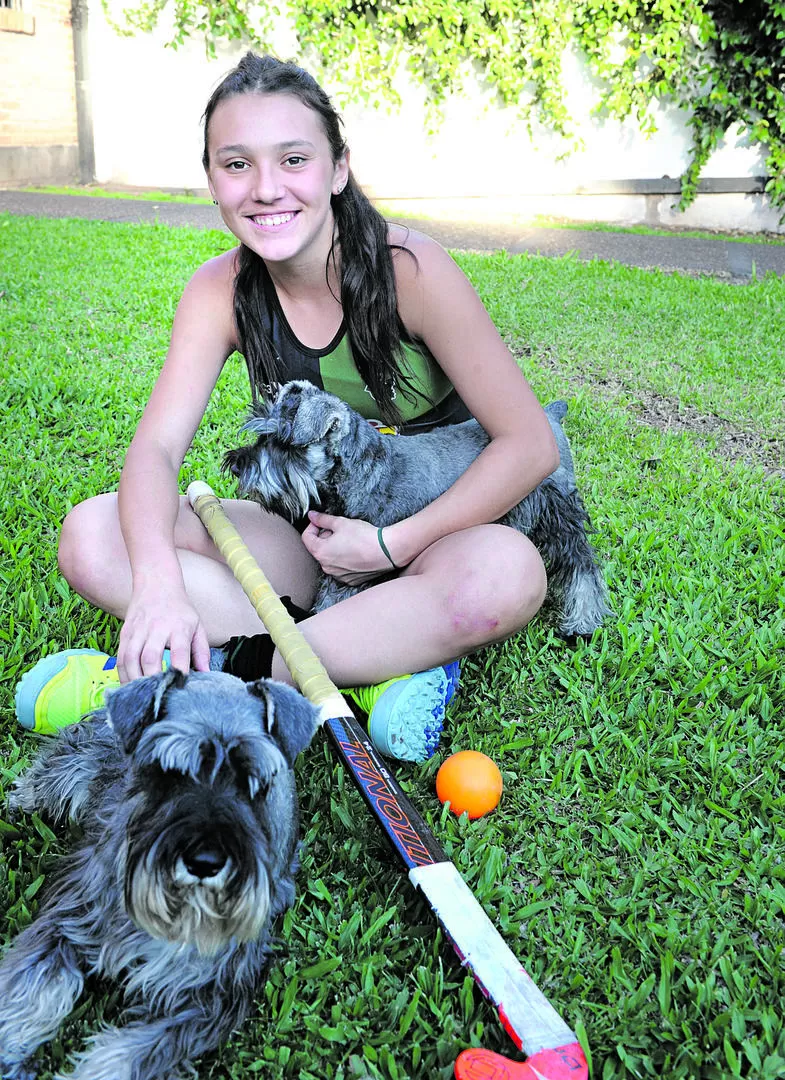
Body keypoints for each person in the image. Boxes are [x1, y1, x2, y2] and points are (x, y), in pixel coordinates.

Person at [15, 53, 558, 762]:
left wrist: (391, 545)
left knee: (509, 576)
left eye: (293, 159)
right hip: (317, 543)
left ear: (337, 168)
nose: (266, 189)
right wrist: (155, 590)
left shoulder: (410, 273)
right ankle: (362, 668)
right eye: (236, 164)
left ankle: (216, 673)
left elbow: (528, 444)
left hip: (438, 537)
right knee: (92, 535)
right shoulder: (219, 292)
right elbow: (154, 451)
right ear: (211, 179)